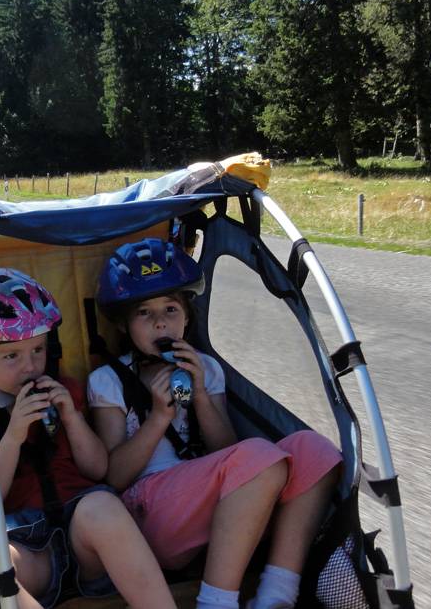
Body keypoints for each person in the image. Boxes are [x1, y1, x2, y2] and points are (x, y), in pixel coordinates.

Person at [87, 238, 343, 609]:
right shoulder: (108, 381)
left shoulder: (206, 369)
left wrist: (203, 396)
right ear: (125, 326)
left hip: (214, 502)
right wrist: (159, 418)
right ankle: (216, 602)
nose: (160, 321)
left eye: (171, 309)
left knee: (313, 449)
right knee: (259, 457)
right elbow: (113, 477)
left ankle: (277, 593)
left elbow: (229, 452)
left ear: (187, 317)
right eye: (144, 312)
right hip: (148, 515)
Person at [0, 267, 176, 609]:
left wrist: (72, 417)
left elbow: (97, 469)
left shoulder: (66, 391)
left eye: (38, 351)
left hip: (84, 537)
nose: (30, 367)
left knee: (103, 504)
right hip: (28, 547)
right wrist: (13, 436)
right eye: (11, 356)